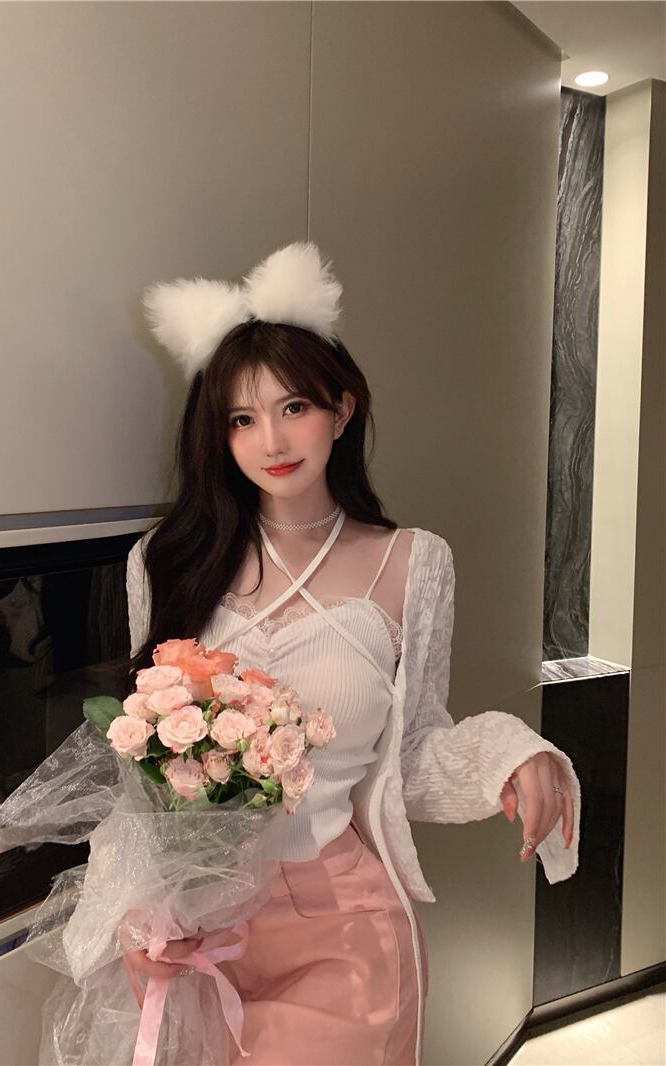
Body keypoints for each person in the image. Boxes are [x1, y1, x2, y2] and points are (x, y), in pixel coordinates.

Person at [122, 242, 581, 1066]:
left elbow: (414, 754)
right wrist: (134, 912)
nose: (271, 438)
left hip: (340, 924)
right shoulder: (165, 562)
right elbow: (142, 770)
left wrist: (511, 752)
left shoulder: (412, 563)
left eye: (293, 406)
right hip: (197, 925)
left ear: (342, 408)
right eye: (241, 418)